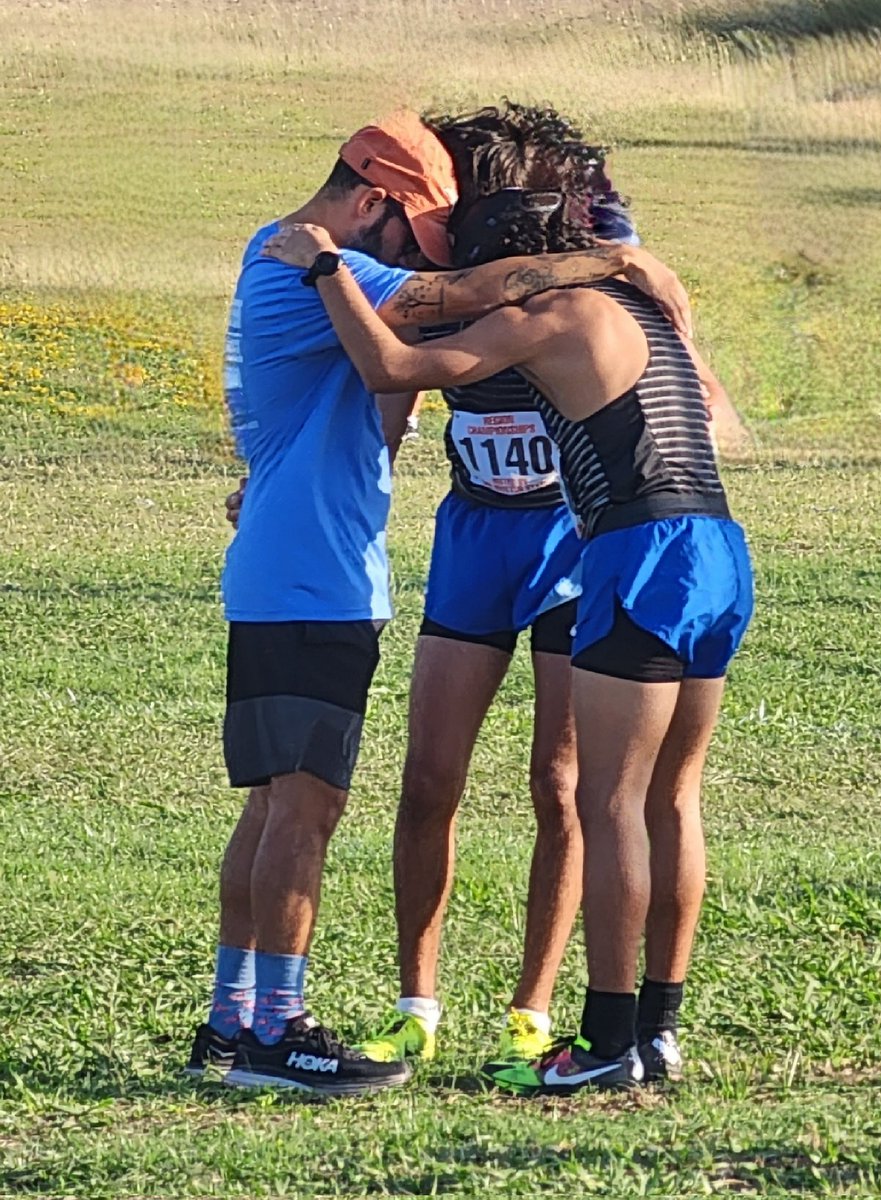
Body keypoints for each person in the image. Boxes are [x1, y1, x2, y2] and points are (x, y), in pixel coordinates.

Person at [188, 109, 695, 1097]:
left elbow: (378, 390)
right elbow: (448, 304)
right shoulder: (316, 260)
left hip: (320, 563)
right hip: (313, 573)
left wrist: (279, 473)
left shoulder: (304, 264)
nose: (421, 255)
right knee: (308, 802)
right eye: (413, 232)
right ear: (376, 199)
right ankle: (278, 1031)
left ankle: (234, 1022)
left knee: (284, 805)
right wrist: (612, 264)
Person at [355, 104, 702, 1080]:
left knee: (563, 785)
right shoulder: (448, 288)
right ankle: (415, 1006)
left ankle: (533, 1012)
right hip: (473, 539)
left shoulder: (565, 278)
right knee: (428, 782)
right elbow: (389, 408)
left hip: (568, 542)